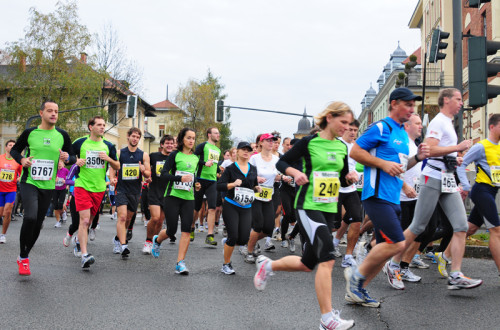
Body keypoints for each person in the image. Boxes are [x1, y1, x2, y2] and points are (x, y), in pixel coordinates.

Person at [253, 101, 357, 330]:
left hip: (328, 208)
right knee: (328, 257)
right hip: (308, 205)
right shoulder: (309, 143)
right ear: (329, 118)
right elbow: (282, 162)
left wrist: (348, 177)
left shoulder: (341, 147)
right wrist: (295, 172)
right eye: (343, 122)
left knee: (307, 264)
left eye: (350, 124)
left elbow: (338, 179)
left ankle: (268, 267)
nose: (347, 127)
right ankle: (327, 318)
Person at [389, 88, 482, 290]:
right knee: (418, 227)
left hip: (446, 177)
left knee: (461, 226)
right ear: (446, 100)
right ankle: (393, 263)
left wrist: (452, 159)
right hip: (432, 177)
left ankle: (456, 274)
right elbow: (429, 150)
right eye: (458, 99)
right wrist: (457, 148)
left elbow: (439, 152)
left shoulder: (448, 122)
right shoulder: (439, 121)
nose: (460, 102)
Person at [345, 88, 429, 305]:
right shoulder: (381, 127)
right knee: (398, 244)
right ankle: (355, 278)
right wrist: (382, 163)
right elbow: (355, 151)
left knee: (382, 251)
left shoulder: (402, 133)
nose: (412, 109)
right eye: (407, 104)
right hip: (376, 194)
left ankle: (357, 291)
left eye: (413, 105)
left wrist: (417, 157)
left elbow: (399, 166)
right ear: (393, 104)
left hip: (393, 196)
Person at [10, 100, 75, 275]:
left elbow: (73, 157)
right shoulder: (30, 133)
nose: (53, 114)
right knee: (30, 217)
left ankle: (24, 254)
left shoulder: (62, 135)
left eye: (56, 111)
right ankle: (24, 257)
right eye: (49, 111)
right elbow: (15, 151)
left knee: (38, 223)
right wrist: (22, 160)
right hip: (29, 181)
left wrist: (66, 158)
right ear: (41, 113)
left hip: (49, 185)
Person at [71, 116, 119, 269]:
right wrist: (75, 161)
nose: (102, 127)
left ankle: (79, 241)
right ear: (90, 127)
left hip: (99, 188)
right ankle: (84, 255)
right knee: (84, 220)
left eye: (104, 125)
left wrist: (108, 159)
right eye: (99, 125)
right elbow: (67, 157)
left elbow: (117, 166)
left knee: (90, 221)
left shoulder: (108, 145)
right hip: (82, 185)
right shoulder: (80, 142)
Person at [151, 128, 200, 274]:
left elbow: (193, 176)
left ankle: (180, 263)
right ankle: (157, 241)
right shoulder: (175, 155)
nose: (191, 141)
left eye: (193, 138)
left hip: (188, 197)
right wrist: (179, 179)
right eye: (188, 138)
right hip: (172, 196)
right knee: (171, 230)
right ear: (182, 139)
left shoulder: (196, 158)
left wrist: (196, 184)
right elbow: (163, 174)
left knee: (186, 230)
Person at [458, 113, 500, 280]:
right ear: (492, 127)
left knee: (470, 228)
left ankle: (444, 255)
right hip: (481, 191)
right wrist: (466, 186)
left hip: (492, 191)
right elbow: (461, 165)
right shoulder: (481, 146)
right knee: (496, 230)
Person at [217, 142, 260, 274]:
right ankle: (226, 264)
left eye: (248, 150)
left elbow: (253, 185)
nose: (246, 152)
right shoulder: (230, 168)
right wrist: (232, 184)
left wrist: (256, 188)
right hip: (232, 205)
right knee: (233, 236)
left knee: (243, 239)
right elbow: (220, 186)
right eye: (243, 150)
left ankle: (228, 242)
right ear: (238, 152)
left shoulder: (253, 168)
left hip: (246, 206)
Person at [110, 127, 151, 259]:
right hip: (121, 189)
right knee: (121, 217)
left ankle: (117, 238)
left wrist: (143, 170)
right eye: (133, 136)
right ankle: (123, 245)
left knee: (128, 219)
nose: (135, 139)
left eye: (138, 137)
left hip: (135, 191)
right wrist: (112, 178)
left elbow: (148, 173)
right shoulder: (120, 153)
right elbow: (113, 167)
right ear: (128, 137)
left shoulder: (143, 155)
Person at [243, 133, 280, 263]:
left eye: (273, 141)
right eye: (268, 140)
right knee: (258, 225)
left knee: (269, 228)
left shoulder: (276, 159)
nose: (271, 143)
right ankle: (249, 251)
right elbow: (246, 174)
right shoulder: (255, 159)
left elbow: (276, 175)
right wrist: (256, 178)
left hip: (268, 196)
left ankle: (247, 241)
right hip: (255, 195)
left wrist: (283, 177)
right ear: (261, 143)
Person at [332, 120, 361, 268]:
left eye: (355, 130)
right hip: (335, 188)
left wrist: (356, 175)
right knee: (334, 225)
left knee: (356, 220)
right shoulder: (335, 144)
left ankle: (348, 256)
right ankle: (325, 244)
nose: (353, 132)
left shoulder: (358, 146)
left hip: (351, 189)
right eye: (350, 129)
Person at [142, 134, 174, 254]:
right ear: (162, 145)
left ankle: (155, 241)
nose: (170, 145)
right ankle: (148, 241)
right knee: (154, 218)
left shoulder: (175, 158)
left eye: (171, 143)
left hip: (168, 192)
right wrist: (147, 177)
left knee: (161, 221)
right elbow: (147, 170)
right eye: (167, 143)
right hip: (155, 190)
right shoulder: (154, 156)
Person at [193, 127, 221, 246]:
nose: (218, 135)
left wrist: (220, 170)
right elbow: (193, 159)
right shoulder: (203, 146)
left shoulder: (218, 150)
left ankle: (209, 235)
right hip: (200, 179)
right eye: (216, 133)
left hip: (212, 180)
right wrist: (204, 163)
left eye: (219, 133)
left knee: (212, 208)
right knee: (197, 207)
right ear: (209, 134)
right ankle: (191, 227)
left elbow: (214, 165)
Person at [0, 140, 23, 243]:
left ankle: (3, 235)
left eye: (14, 145)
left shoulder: (18, 161)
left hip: (11, 190)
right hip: (0, 190)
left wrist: (19, 178)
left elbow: (22, 173)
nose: (12, 146)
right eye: (10, 145)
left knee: (7, 212)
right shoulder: (0, 158)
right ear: (6, 148)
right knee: (0, 213)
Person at [52, 160, 69, 228]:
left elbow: (69, 177)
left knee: (61, 204)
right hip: (55, 189)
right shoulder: (54, 170)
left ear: (63, 164)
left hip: (62, 189)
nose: (59, 164)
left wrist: (66, 182)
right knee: (55, 205)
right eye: (58, 163)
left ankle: (64, 213)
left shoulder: (65, 170)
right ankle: (58, 221)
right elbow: (50, 178)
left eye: (61, 162)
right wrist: (54, 180)